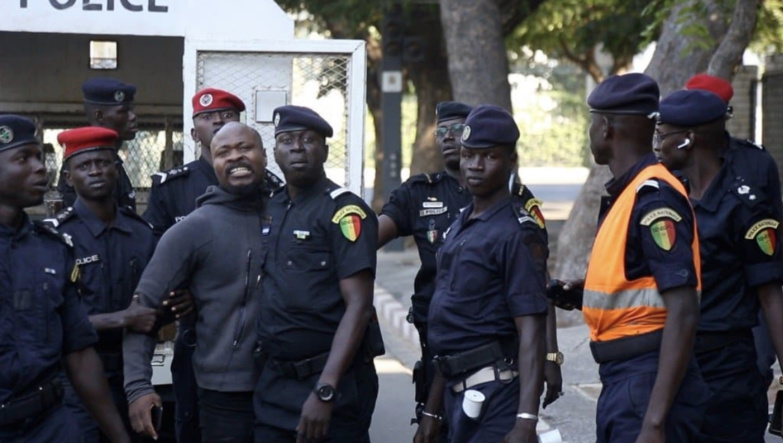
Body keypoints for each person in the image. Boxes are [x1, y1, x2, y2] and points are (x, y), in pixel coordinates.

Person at [379, 101, 561, 431]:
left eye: (488, 156)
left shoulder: (517, 229)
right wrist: (432, 411)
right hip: (448, 379)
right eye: (469, 155)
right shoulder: (460, 222)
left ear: (510, 161)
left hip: (494, 385)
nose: (475, 165)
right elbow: (450, 328)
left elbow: (532, 318)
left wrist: (526, 418)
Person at [551, 73, 708, 442]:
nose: (590, 132)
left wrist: (654, 421)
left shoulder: (653, 197)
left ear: (605, 128)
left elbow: (684, 308)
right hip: (626, 379)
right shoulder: (631, 191)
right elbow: (641, 283)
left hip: (645, 382)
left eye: (592, 122)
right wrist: (583, 293)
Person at [142, 87, 281, 443]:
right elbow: (158, 265)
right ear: (195, 134)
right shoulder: (175, 187)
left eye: (227, 116)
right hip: (201, 341)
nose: (218, 122)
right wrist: (184, 291)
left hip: (270, 363)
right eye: (208, 117)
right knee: (190, 421)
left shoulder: (279, 198)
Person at [655, 89, 783, 442]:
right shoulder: (667, 197)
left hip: (727, 370)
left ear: (688, 140)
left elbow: (771, 296)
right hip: (673, 363)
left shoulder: (746, 207)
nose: (657, 145)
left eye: (663, 135)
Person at [0, 115, 131, 443]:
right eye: (23, 158)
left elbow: (79, 352)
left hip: (50, 425)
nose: (40, 167)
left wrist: (119, 437)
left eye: (39, 156)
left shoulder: (51, 249)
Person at [253, 105, 380, 442]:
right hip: (273, 384)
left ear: (324, 150)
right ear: (275, 152)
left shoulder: (344, 211)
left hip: (330, 383)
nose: (297, 147)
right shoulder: (270, 206)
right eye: (287, 140)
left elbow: (359, 306)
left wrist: (326, 389)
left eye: (308, 139)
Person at [44, 127, 166, 443]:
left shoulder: (142, 233)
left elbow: (156, 306)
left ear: (116, 168)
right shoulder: (54, 238)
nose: (95, 171)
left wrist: (173, 306)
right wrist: (123, 319)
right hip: (74, 381)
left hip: (132, 374)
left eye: (102, 162)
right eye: (84, 165)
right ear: (68, 177)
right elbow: (50, 320)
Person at [685, 73, 783, 388]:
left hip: (750, 288)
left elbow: (772, 230)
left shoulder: (756, 161)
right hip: (692, 293)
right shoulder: (672, 161)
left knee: (756, 366)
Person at [57, 78, 138, 211]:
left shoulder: (112, 159)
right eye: (123, 111)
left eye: (131, 110)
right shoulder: (83, 165)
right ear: (100, 116)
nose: (133, 116)